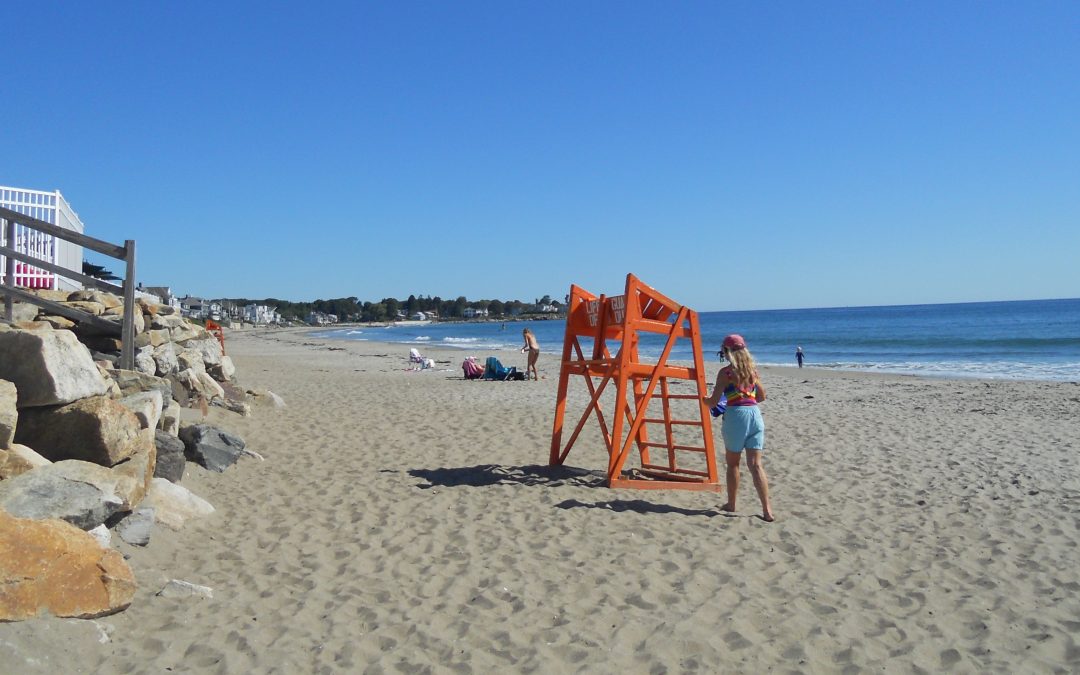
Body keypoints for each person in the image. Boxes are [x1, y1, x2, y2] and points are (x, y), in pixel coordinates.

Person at [704, 334, 774, 522]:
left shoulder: (726, 373)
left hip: (736, 416)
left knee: (733, 463)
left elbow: (713, 401)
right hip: (755, 415)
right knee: (756, 465)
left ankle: (732, 503)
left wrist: (704, 400)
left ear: (727, 352)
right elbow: (761, 396)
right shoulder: (752, 371)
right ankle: (767, 510)